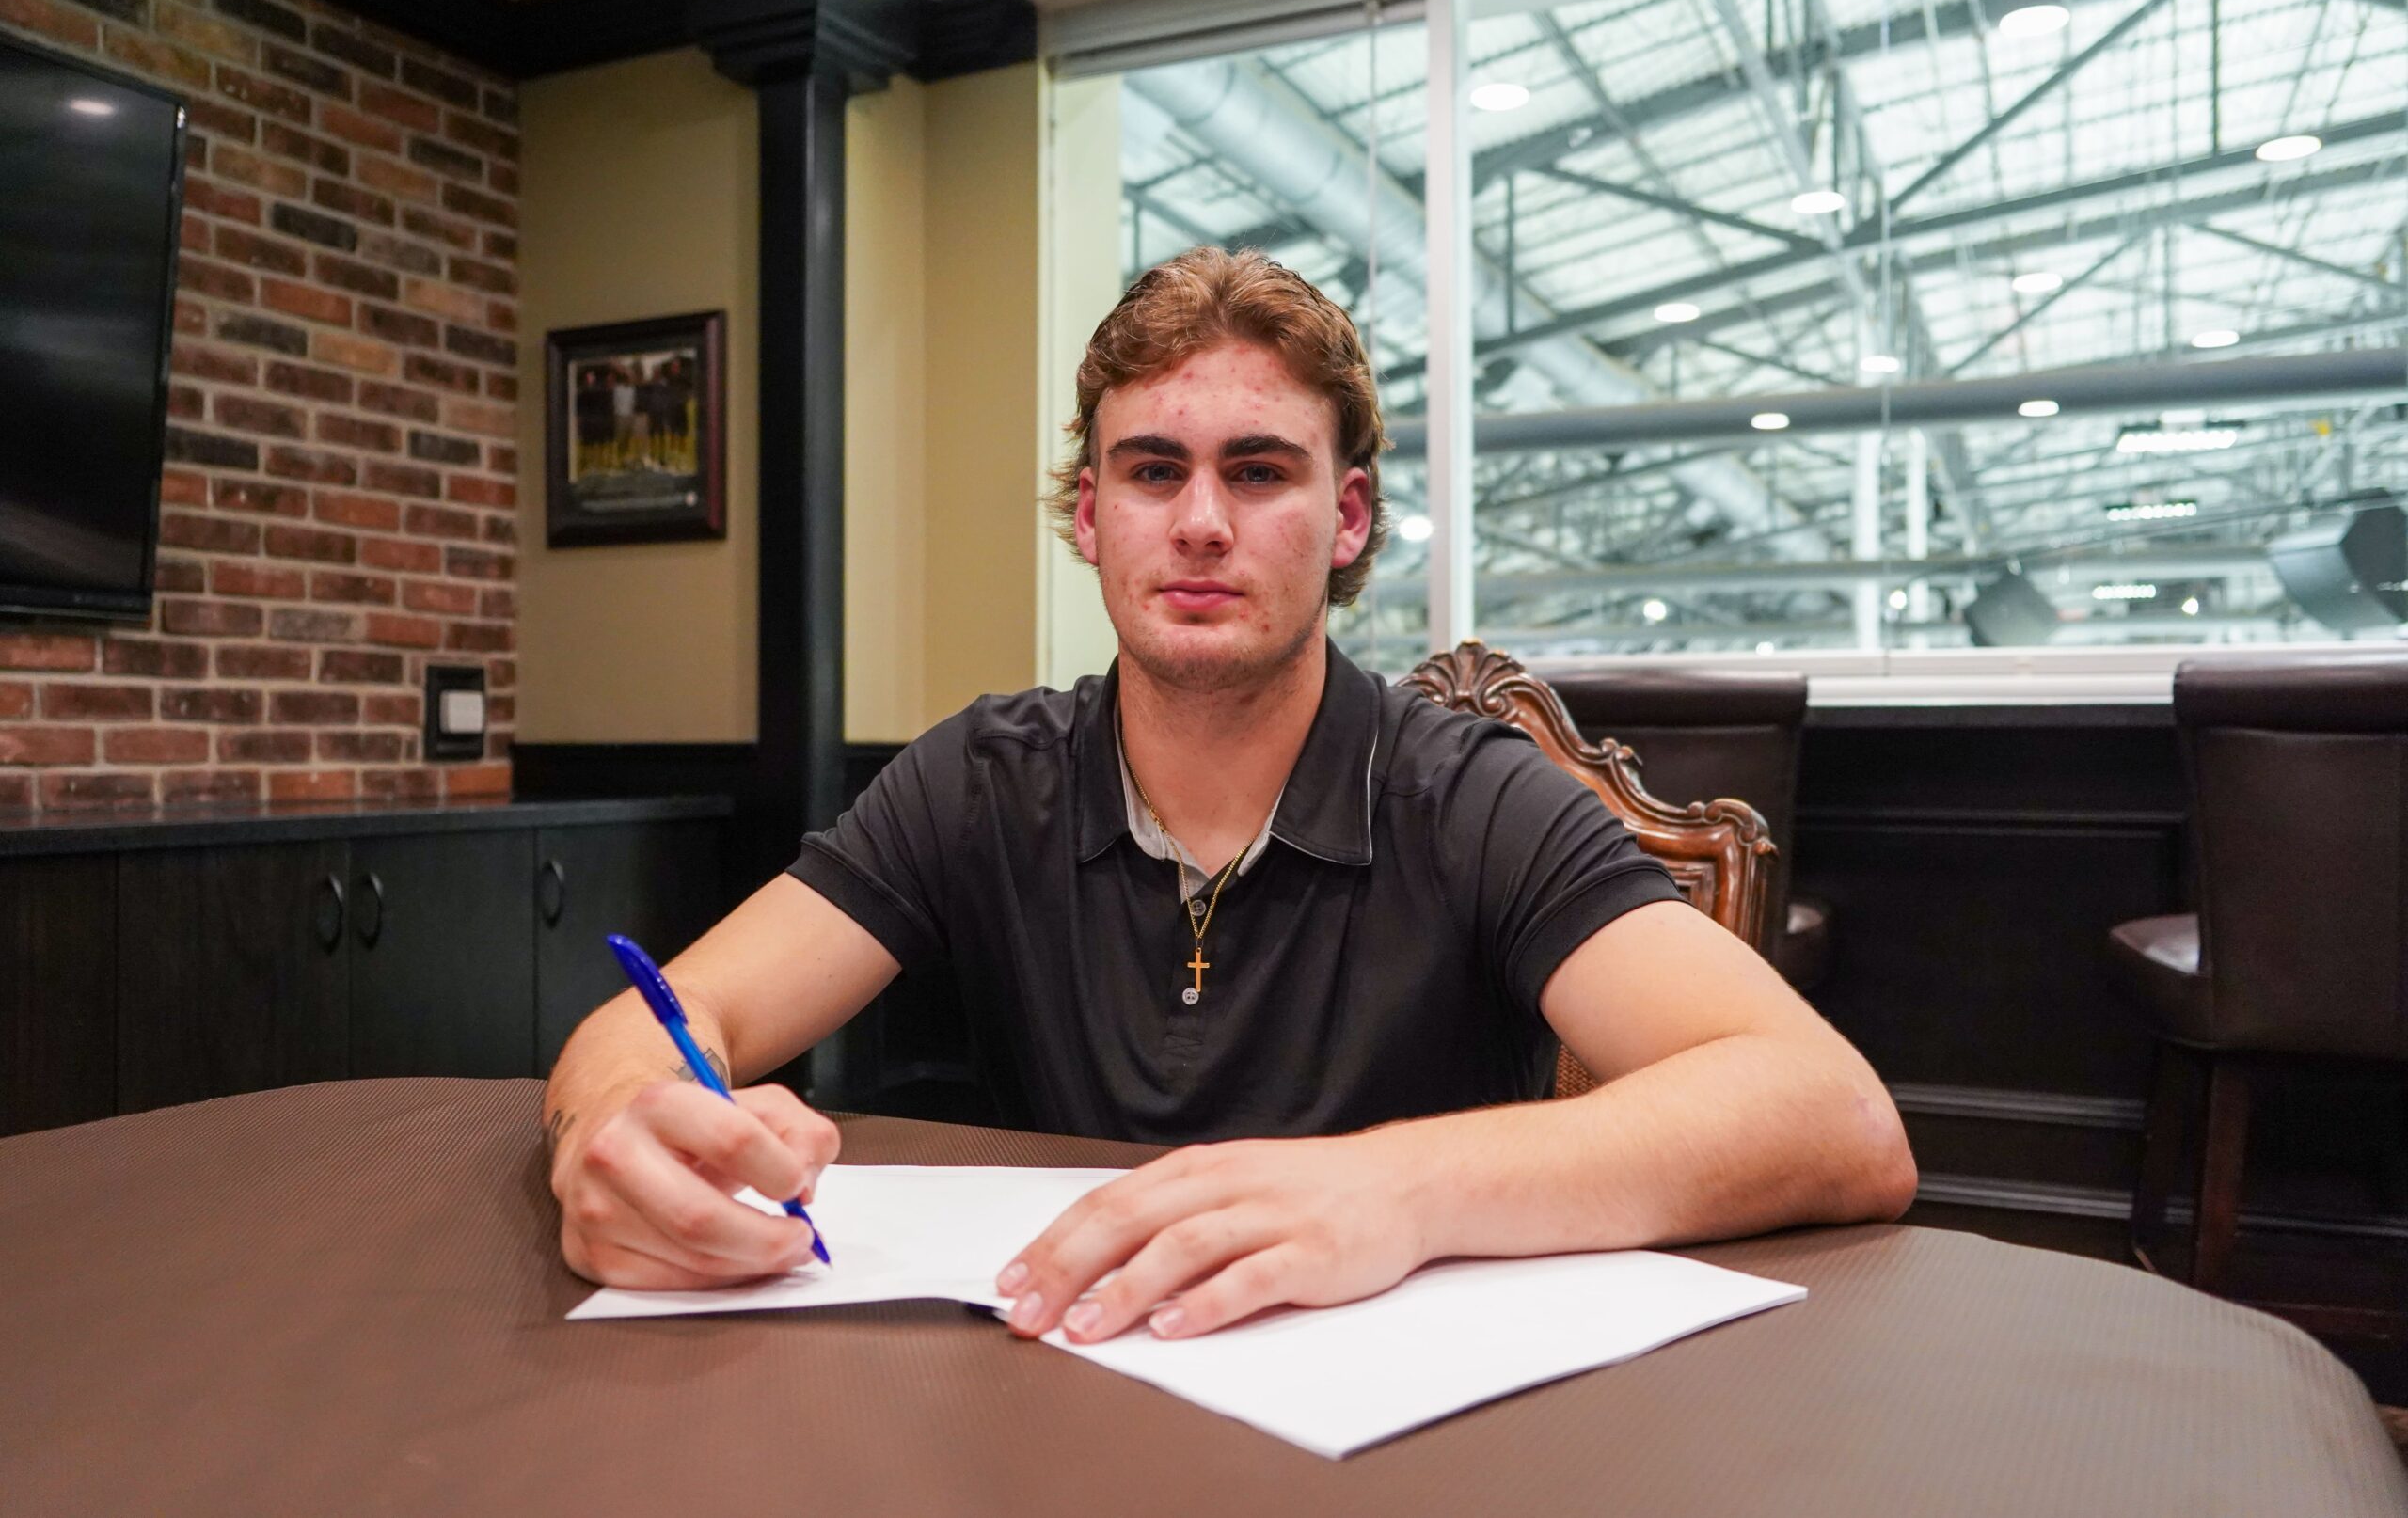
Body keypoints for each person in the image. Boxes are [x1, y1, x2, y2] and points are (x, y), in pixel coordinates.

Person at [542, 247, 1915, 1345]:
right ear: (1093, 518)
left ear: (1348, 519)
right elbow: (666, 1014)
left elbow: (1832, 1115)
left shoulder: (1468, 795)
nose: (1202, 521)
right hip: (1056, 1383)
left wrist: (1396, 1187)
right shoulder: (983, 776)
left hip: (1402, 1416)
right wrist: (618, 1126)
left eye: (1258, 472)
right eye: (1154, 471)